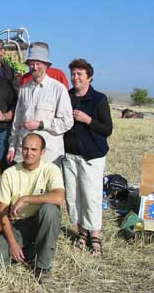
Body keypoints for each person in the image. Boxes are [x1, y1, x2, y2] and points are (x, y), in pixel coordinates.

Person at [0, 134, 65, 282]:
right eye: (25, 149)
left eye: (34, 150)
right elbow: (1, 213)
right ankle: (33, 250)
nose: (29, 153)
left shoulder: (51, 169)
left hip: (39, 221)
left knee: (50, 210)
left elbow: (59, 197)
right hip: (17, 225)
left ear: (42, 152)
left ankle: (43, 267)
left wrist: (26, 198)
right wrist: (12, 243)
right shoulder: (10, 173)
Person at [63, 59, 113, 257]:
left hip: (91, 156)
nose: (75, 78)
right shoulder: (67, 96)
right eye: (73, 74)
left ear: (89, 78)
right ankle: (81, 234)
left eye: (79, 74)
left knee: (91, 196)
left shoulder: (98, 99)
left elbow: (107, 129)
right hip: (69, 156)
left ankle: (95, 237)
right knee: (73, 197)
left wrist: (88, 120)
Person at [7, 44, 73, 165]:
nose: (35, 67)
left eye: (38, 63)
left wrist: (41, 125)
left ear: (46, 65)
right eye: (32, 63)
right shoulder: (24, 90)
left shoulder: (58, 89)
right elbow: (17, 122)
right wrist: (12, 147)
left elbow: (67, 122)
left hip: (49, 156)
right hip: (24, 156)